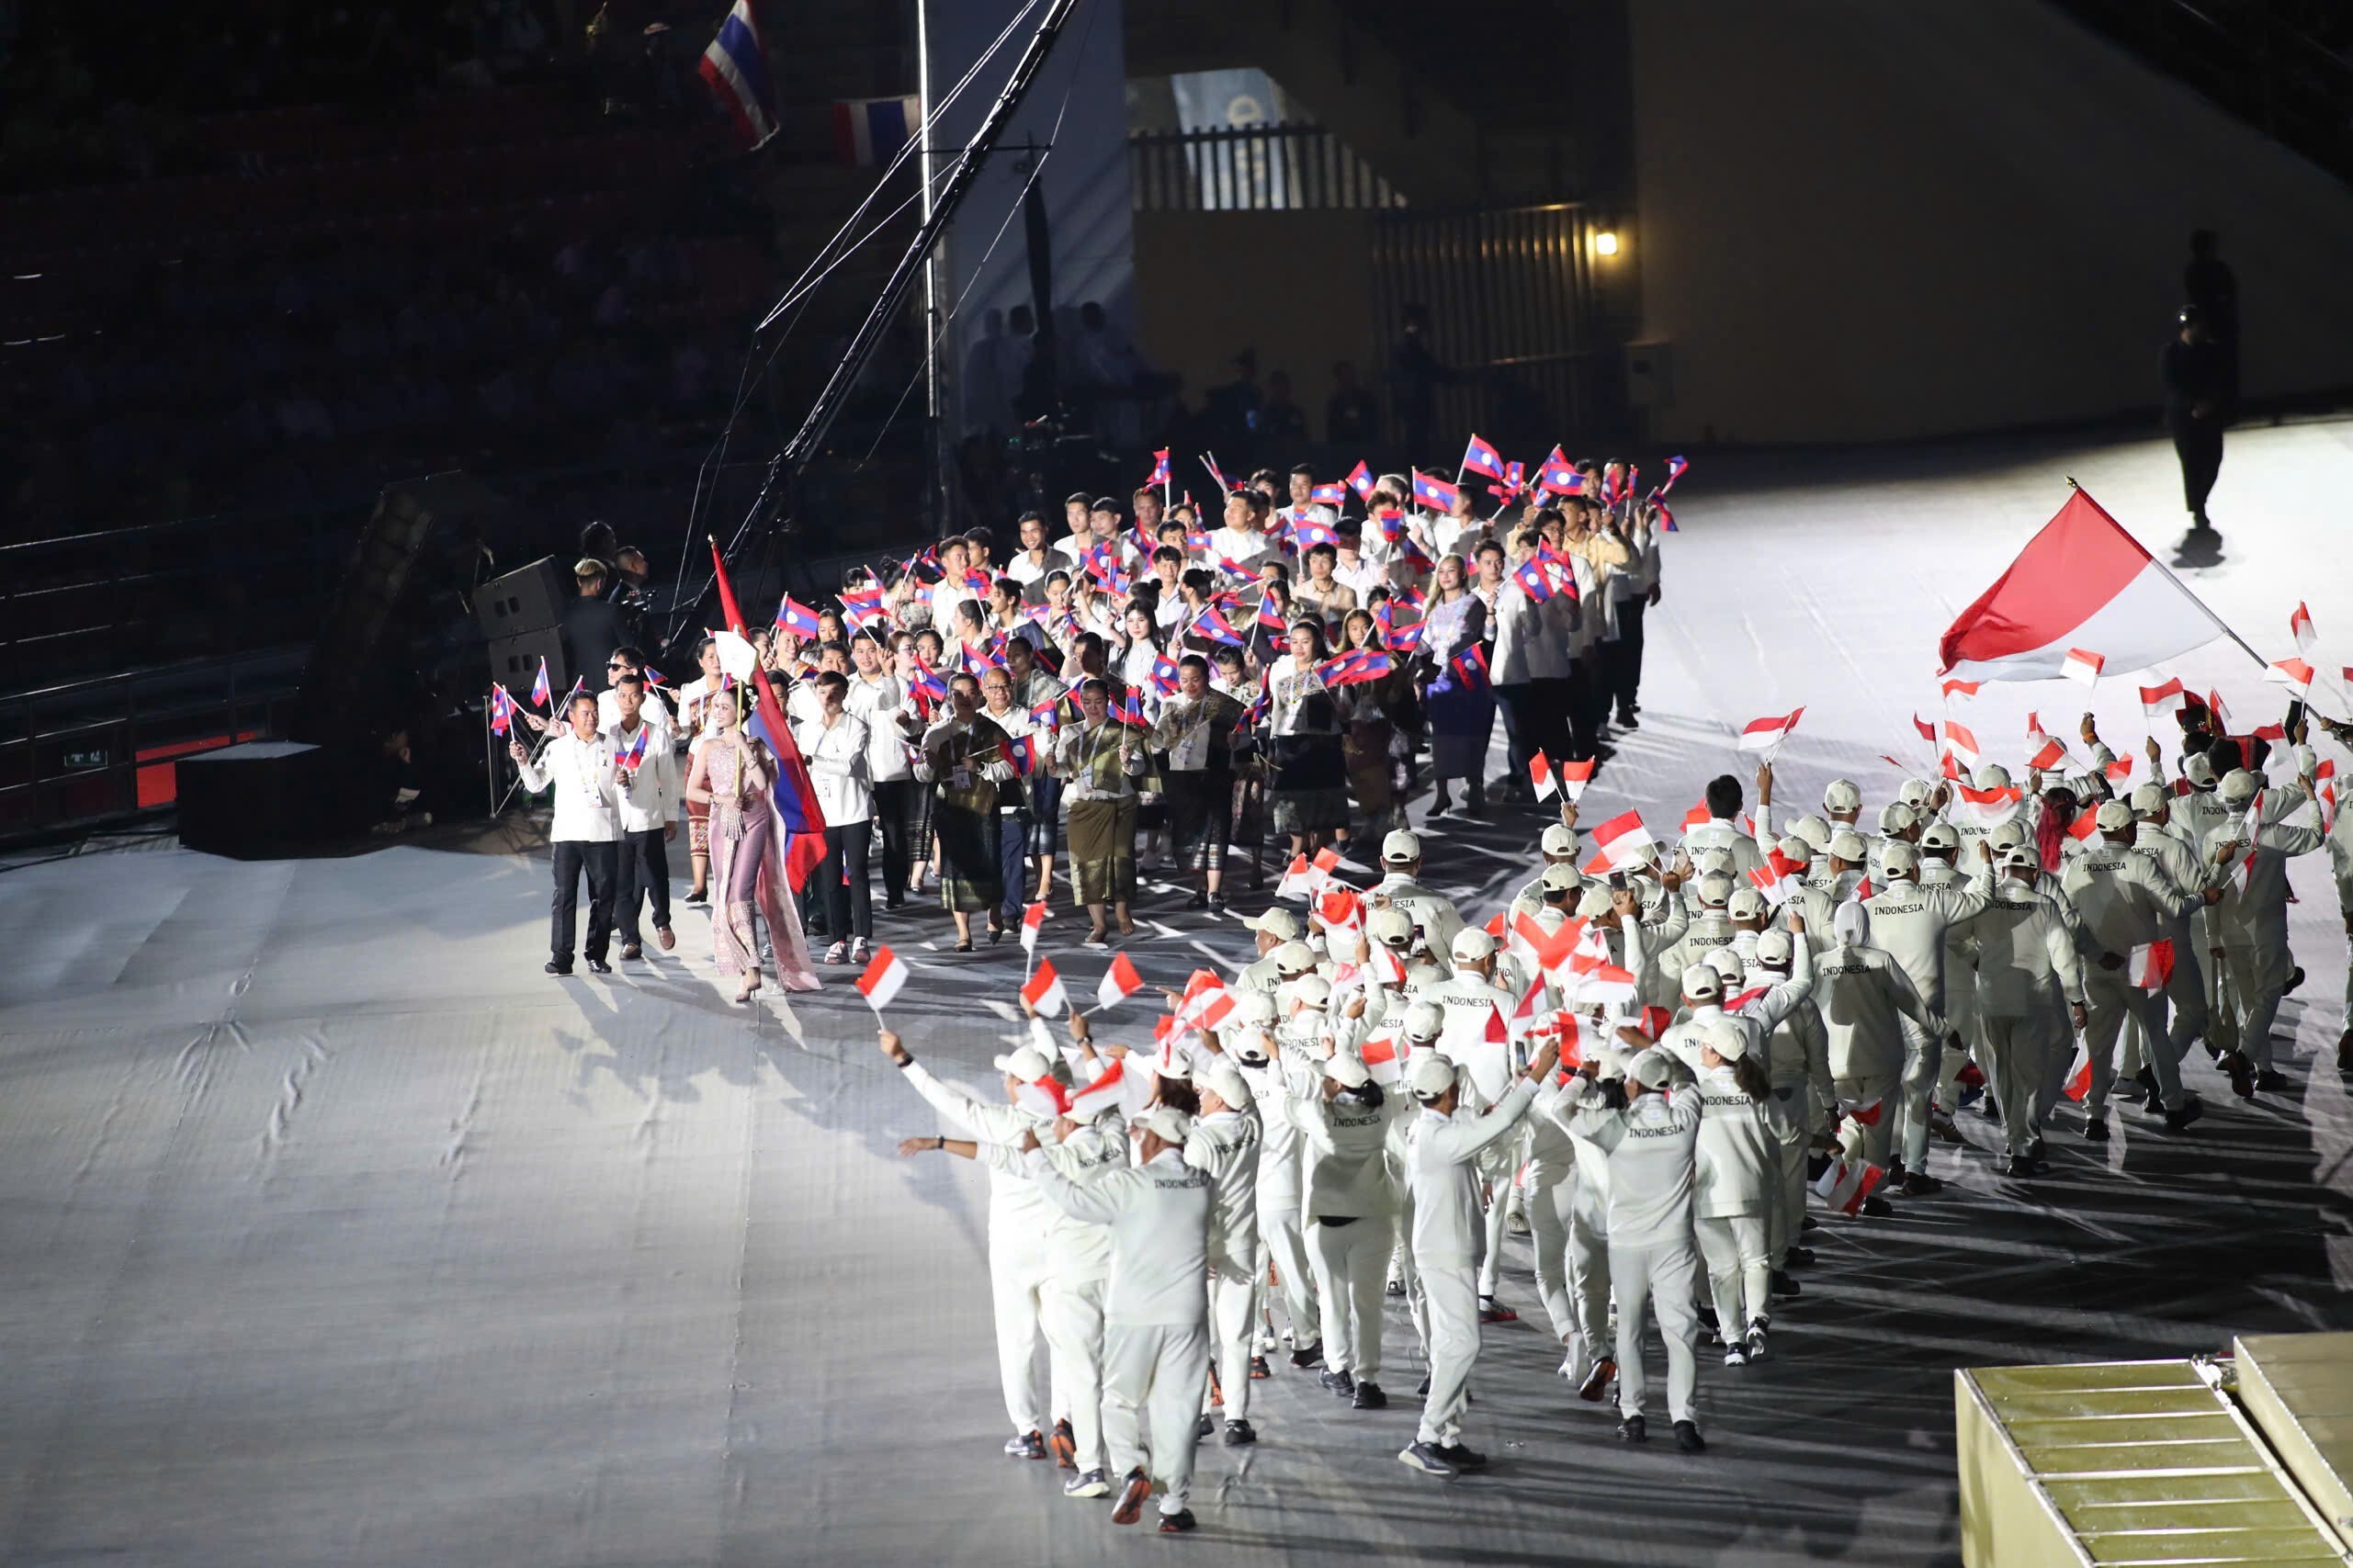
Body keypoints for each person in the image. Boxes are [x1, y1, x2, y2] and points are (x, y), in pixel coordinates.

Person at [1023, 1104, 1212, 1535]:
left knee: (1119, 1401)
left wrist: (1035, 1154)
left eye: (1144, 1134)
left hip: (1136, 1314)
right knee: (1178, 1409)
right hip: (1189, 1315)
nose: (1137, 1139)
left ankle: (1131, 1471)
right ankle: (1175, 1505)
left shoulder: (1132, 1184)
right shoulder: (1203, 1183)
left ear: (1158, 1139)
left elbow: (1072, 1200)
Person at [878, 1028, 1059, 1462]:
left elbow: (947, 1100)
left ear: (1019, 1086)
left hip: (1014, 1250)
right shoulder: (1068, 1122)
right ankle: (1068, 1424)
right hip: (1060, 1244)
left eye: (1009, 1078)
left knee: (1016, 1340)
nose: (1004, 1083)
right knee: (1067, 1340)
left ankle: (1029, 1431)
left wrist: (904, 1057)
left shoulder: (999, 1122)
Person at [1396, 1038, 1558, 1477]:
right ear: (1449, 1093)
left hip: (1446, 1250)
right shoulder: (1440, 1136)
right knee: (1463, 1343)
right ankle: (1428, 1437)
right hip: (1444, 1253)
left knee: (1454, 1344)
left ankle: (1446, 1437)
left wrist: (1518, 1083)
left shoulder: (1436, 1129)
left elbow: (1487, 1118)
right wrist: (1538, 1075)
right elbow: (1499, 1122)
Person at [1558, 1045, 1708, 1452]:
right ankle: (1684, 1421)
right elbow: (1688, 1079)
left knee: (1629, 1332)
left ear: (1633, 1084)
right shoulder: (1686, 1117)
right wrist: (1657, 1052)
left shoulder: (1615, 1124)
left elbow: (1562, 1109)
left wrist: (1581, 1076)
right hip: (1674, 1244)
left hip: (1627, 1244)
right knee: (1681, 1335)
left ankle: (1633, 1415)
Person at [681, 685, 820, 1000]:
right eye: (715, 707)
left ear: (741, 712)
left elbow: (761, 783)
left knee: (742, 889)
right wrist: (720, 798)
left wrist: (744, 747)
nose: (717, 712)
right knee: (726, 893)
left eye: (725, 707)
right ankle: (747, 967)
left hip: (754, 819)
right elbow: (691, 791)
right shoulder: (707, 747)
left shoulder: (756, 745)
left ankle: (753, 966)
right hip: (722, 822)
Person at [1291, 1051, 1398, 1413]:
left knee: (1332, 1302)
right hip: (1374, 1221)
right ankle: (1367, 1382)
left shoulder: (1317, 1115)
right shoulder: (1382, 1111)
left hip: (1326, 1225)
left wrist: (1284, 1058)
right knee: (1368, 1307)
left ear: (1336, 1084)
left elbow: (1283, 1099)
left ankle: (1338, 1370)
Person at [511, 690, 620, 976]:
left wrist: (627, 781)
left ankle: (597, 955)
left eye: (595, 712)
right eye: (585, 713)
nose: (591, 718)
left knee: (603, 896)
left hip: (602, 832)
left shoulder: (612, 746)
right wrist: (523, 762)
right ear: (571, 717)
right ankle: (561, 956)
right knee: (564, 895)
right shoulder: (557, 749)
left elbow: (625, 785)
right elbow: (536, 784)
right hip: (567, 833)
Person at [1185, 1057, 1263, 1447]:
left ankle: (1200, 1410)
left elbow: (1191, 1198)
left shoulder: (1198, 1141)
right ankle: (1236, 1418)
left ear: (1219, 1101)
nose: (1202, 1093)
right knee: (1237, 1334)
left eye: (1208, 1091)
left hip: (1204, 1244)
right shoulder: (1253, 1127)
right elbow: (1248, 1104)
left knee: (1197, 1331)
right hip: (1242, 1242)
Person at [922, 672, 1015, 952]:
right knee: (955, 870)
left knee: (989, 864)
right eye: (958, 694)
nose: (964, 699)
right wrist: (929, 764)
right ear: (950, 698)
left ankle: (994, 913)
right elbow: (921, 774)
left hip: (984, 806)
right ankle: (963, 933)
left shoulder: (992, 731)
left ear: (979, 695)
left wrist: (982, 768)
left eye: (970, 693)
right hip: (951, 808)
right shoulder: (937, 733)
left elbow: (1011, 767)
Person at [793, 670, 874, 965]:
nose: (827, 698)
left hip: (854, 811)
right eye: (822, 692)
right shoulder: (808, 729)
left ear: (844, 694)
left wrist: (813, 761)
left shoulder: (857, 727)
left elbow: (848, 765)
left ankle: (862, 937)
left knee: (856, 873)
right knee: (829, 879)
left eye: (834, 692)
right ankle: (837, 939)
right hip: (823, 815)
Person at [1056, 679, 1144, 944]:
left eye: (1099, 701)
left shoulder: (1123, 731)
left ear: (1108, 702)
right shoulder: (1070, 733)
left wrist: (1128, 762)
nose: (1093, 707)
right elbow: (1061, 769)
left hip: (1119, 802)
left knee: (1120, 859)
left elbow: (1139, 768)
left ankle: (1121, 911)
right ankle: (1098, 923)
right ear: (1080, 703)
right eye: (1088, 702)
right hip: (1084, 804)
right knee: (1086, 864)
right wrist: (1051, 765)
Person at [1154, 655, 1240, 911]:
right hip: (1181, 777)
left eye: (1196, 679)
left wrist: (1238, 741)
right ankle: (1200, 889)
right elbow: (1159, 741)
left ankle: (1215, 892)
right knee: (1188, 836)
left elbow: (1244, 737)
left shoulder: (1226, 705)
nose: (1190, 685)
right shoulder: (1171, 704)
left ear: (1207, 678)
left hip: (1215, 773)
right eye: (1184, 680)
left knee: (1215, 833)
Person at [604, 672, 678, 962]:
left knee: (654, 875)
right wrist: (615, 779)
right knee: (622, 883)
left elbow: (669, 780)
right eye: (622, 695)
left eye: (634, 695)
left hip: (648, 818)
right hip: (618, 821)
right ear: (616, 697)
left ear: (642, 698)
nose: (628, 701)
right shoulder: (608, 736)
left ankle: (662, 921)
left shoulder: (655, 735)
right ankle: (630, 939)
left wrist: (671, 816)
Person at [1267, 620, 1349, 858]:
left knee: (1322, 799)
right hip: (1289, 741)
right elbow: (1277, 709)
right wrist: (1273, 744)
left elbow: (1346, 710)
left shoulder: (1331, 670)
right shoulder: (1281, 669)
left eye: (1305, 641)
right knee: (1289, 800)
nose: (1299, 647)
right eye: (1294, 642)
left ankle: (1319, 847)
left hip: (1322, 743)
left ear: (1317, 643)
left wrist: (1340, 706)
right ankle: (1297, 845)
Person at [1419, 553, 1491, 818]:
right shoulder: (1434, 609)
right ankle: (1442, 794)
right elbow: (1425, 643)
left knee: (1470, 736)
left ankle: (1474, 788)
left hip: (1467, 677)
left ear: (1462, 573)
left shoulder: (1474, 603)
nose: (1446, 576)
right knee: (1442, 740)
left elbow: (1485, 635)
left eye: (1452, 570)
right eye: (1441, 572)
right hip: (1440, 681)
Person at [2163, 306, 2230, 545]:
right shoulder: (2172, 353)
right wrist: (2191, 405)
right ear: (2187, 327)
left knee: (2213, 459)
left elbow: (2219, 380)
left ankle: (2198, 501)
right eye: (2197, 325)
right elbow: (2172, 386)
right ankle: (2198, 508)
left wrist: (2210, 403)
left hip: (2209, 414)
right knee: (2191, 463)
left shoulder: (2210, 351)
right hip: (2183, 419)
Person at [673, 637, 726, 908]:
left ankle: (725, 881)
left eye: (719, 656)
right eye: (710, 657)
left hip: (726, 758)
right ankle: (699, 884)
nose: (716, 661)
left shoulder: (734, 686)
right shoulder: (692, 690)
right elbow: (684, 730)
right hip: (698, 757)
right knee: (698, 817)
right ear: (701, 662)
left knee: (725, 818)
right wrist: (675, 729)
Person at [560, 558, 625, 690]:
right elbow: (629, 648)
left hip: (579, 685)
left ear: (579, 581)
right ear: (600, 583)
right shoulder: (612, 611)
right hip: (609, 684)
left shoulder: (565, 613)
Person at [1327, 359, 1379, 448]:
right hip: (1343, 449)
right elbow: (1333, 431)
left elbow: (1373, 425)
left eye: (1349, 376)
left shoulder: (1366, 399)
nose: (1347, 380)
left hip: (1365, 447)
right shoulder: (1335, 404)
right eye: (1343, 377)